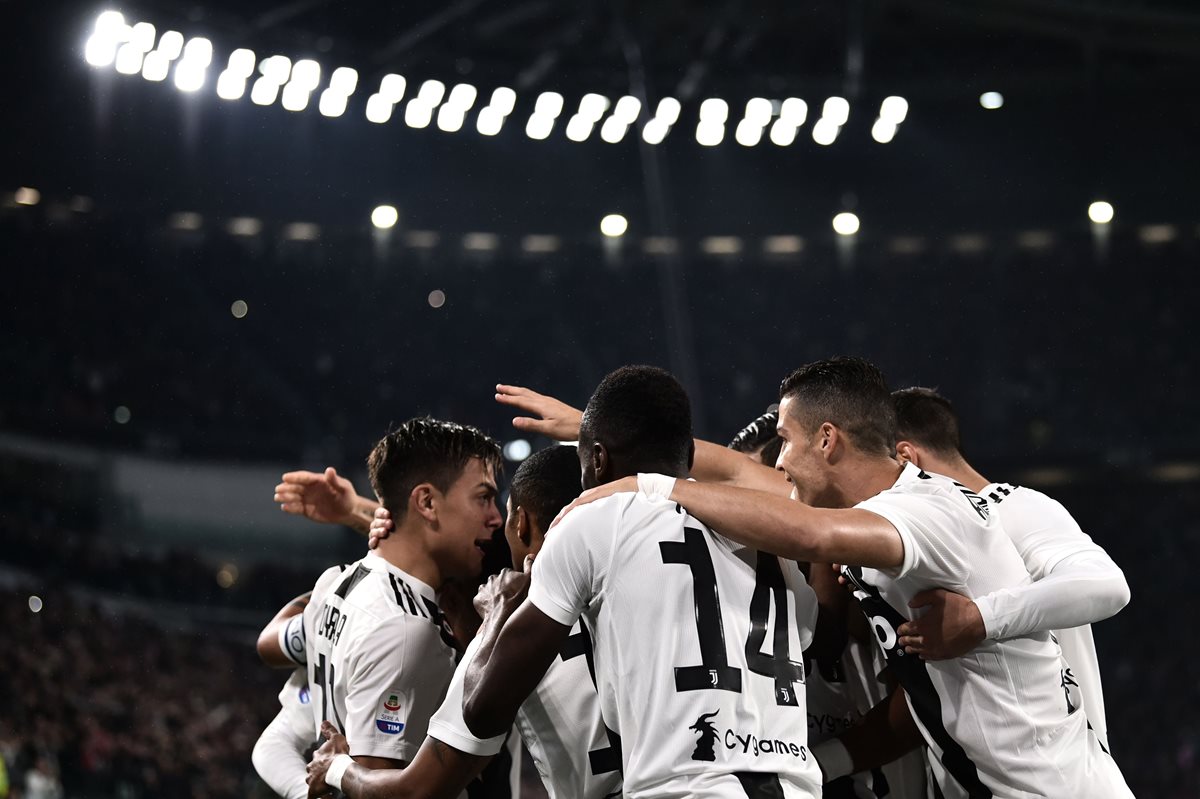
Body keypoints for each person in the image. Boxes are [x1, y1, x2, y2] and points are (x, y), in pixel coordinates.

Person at [550, 357, 1132, 798]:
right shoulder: (875, 507)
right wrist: (607, 434)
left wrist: (653, 485)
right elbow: (752, 482)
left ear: (827, 440)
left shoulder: (926, 511)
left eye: (785, 441)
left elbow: (811, 535)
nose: (777, 463)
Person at [463, 366, 824, 798]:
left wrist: (495, 614)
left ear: (597, 460)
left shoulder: (592, 520)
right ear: (688, 457)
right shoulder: (769, 538)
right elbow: (816, 635)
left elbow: (482, 712)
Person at [305, 445, 623, 799]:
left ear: (521, 523)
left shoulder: (504, 641)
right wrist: (367, 513)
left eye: (496, 505)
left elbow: (414, 792)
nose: (493, 522)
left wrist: (335, 767)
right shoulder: (641, 581)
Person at [889, 387, 1129, 751]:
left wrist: (978, 619)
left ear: (906, 458)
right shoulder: (926, 537)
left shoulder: (1016, 507)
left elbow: (1107, 584)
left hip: (1063, 775)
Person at [301, 418, 503, 780]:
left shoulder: (336, 582)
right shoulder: (405, 628)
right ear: (426, 501)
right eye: (484, 498)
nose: (496, 518)